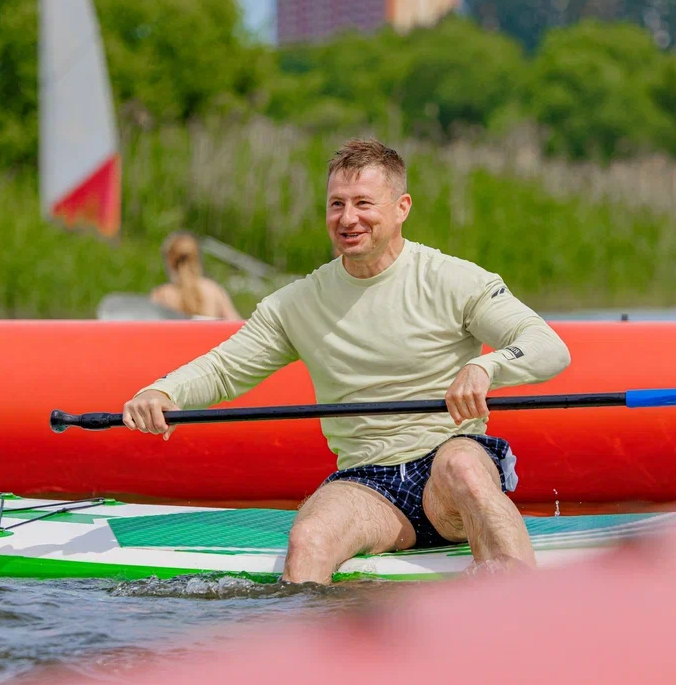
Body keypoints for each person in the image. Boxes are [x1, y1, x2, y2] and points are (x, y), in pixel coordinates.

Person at [123, 139, 571, 583]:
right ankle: (306, 647)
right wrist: (164, 391)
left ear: (401, 208)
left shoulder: (455, 279)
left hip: (447, 473)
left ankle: (522, 615)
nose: (347, 218)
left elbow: (546, 345)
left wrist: (485, 367)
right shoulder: (297, 303)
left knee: (465, 469)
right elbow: (223, 369)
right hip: (367, 484)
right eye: (336, 204)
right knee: (310, 538)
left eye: (363, 203)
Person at [148, 231, 242, 320]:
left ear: (170, 262)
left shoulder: (161, 295)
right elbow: (237, 326)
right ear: (197, 258)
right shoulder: (214, 291)